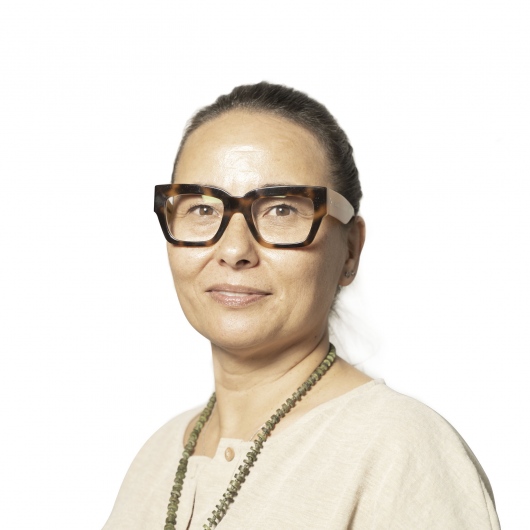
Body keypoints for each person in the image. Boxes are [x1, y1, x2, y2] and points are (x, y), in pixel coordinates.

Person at [103, 82, 500, 529]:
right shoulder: (157, 457)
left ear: (349, 251)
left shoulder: (400, 449)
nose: (234, 250)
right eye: (202, 208)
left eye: (282, 210)